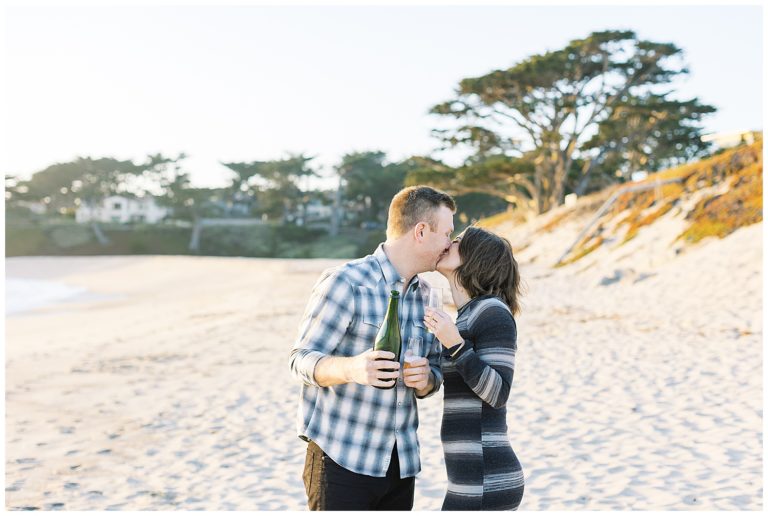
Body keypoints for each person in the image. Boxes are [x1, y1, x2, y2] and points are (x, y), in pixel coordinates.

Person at [289, 185, 456, 510]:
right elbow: (300, 360)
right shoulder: (346, 282)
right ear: (421, 231)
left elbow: (435, 373)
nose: (450, 243)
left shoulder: (427, 295)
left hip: (401, 466)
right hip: (342, 462)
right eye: (447, 233)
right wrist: (353, 368)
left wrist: (426, 380)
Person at [424, 225, 525, 511]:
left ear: (475, 257)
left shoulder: (493, 311)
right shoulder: (466, 315)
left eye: (457, 241)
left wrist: (454, 344)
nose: (448, 243)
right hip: (470, 479)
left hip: (487, 478)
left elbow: (498, 393)